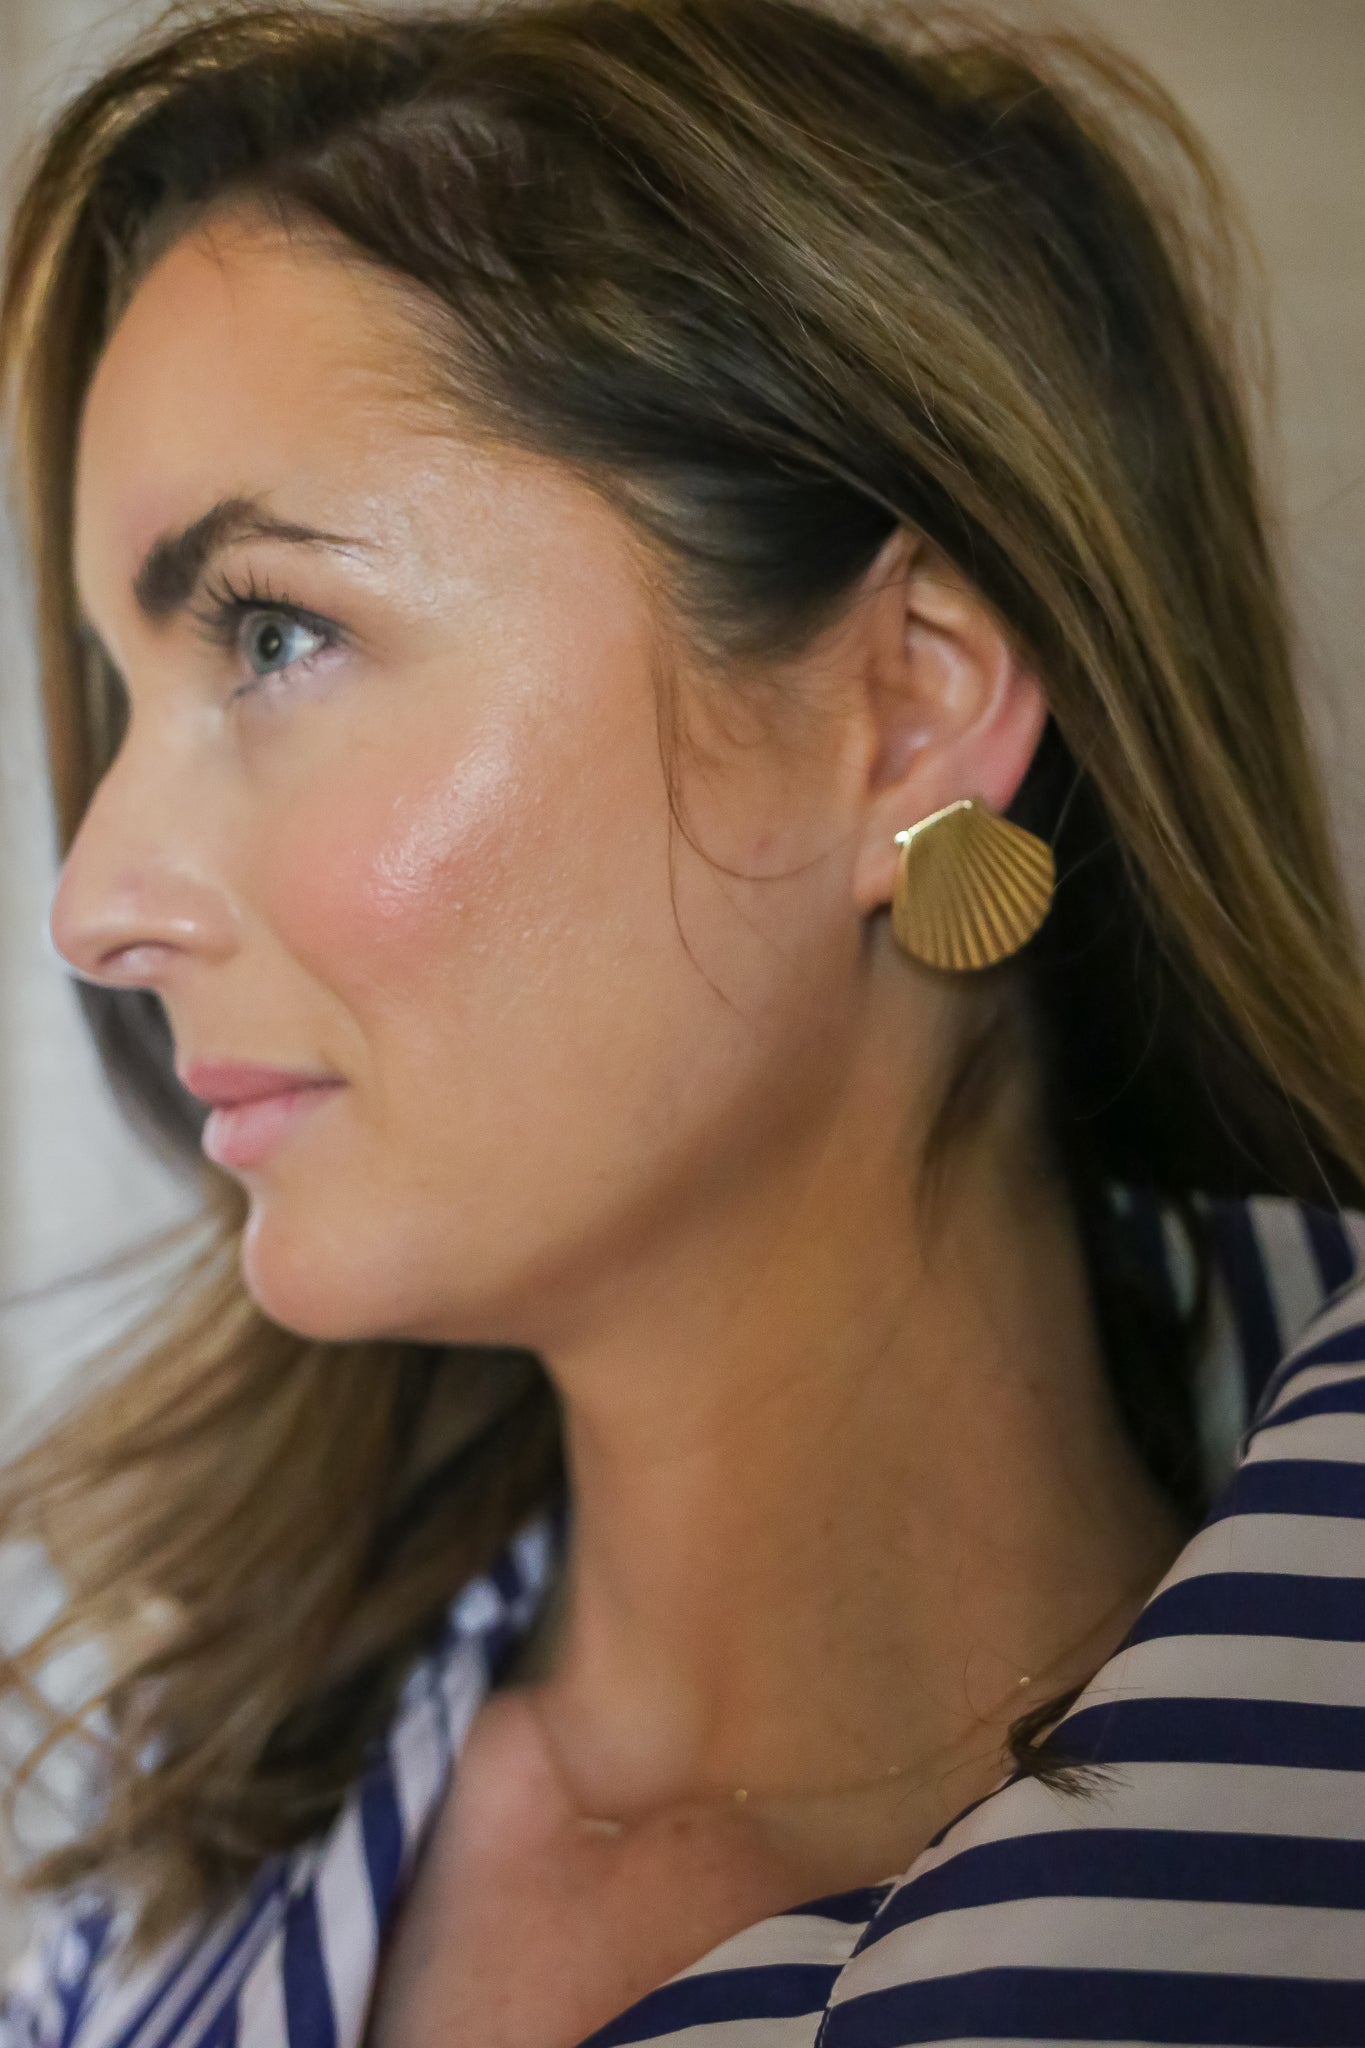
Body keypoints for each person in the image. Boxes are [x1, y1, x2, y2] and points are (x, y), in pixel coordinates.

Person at [1, 0, 1364, 2042]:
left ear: (899, 703)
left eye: (274, 633)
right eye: (121, 696)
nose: (96, 901)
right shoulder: (153, 1822)